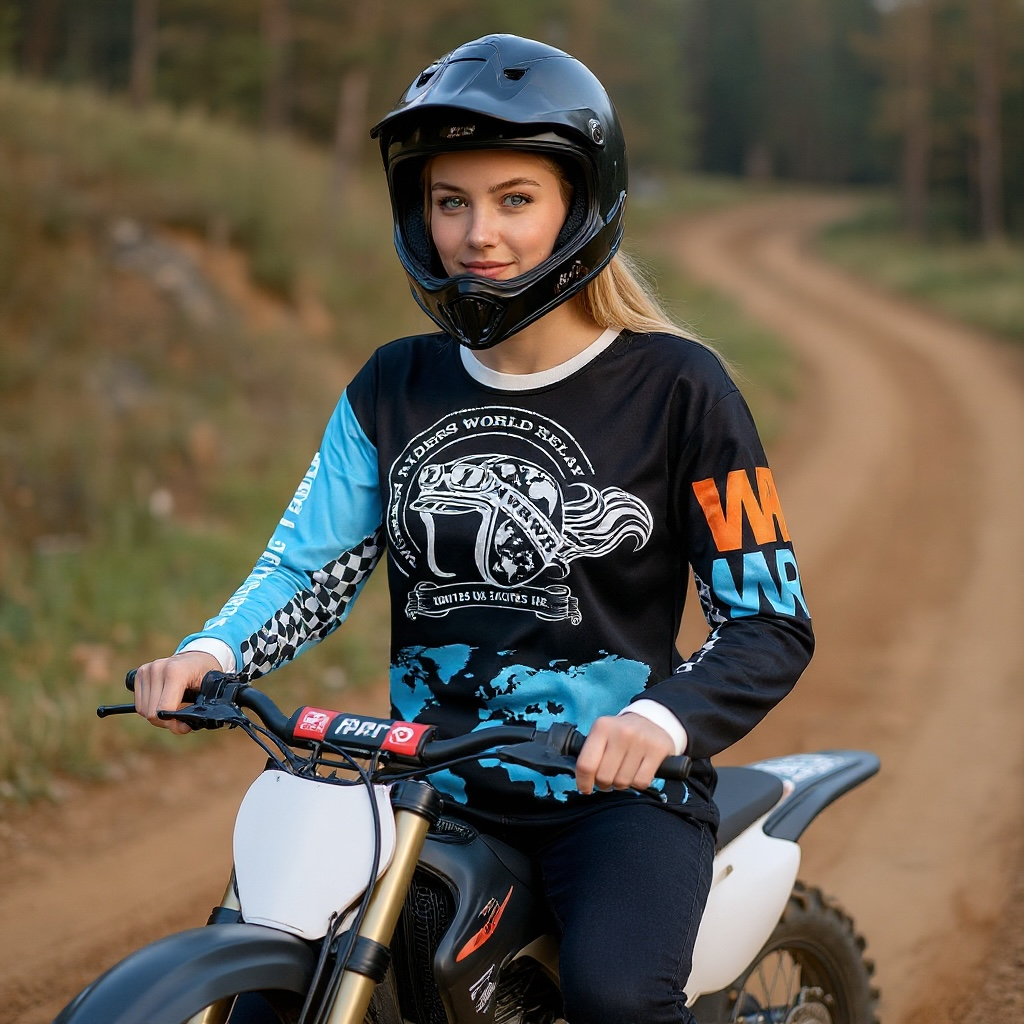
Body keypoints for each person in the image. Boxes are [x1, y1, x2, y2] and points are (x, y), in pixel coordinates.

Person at [134, 34, 813, 1024]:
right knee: (287, 968)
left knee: (618, 999)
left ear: (579, 204)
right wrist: (211, 647)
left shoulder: (678, 387)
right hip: (427, 782)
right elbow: (311, 565)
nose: (477, 233)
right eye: (451, 201)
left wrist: (655, 724)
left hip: (614, 796)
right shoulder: (393, 384)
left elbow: (767, 623)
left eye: (513, 199)